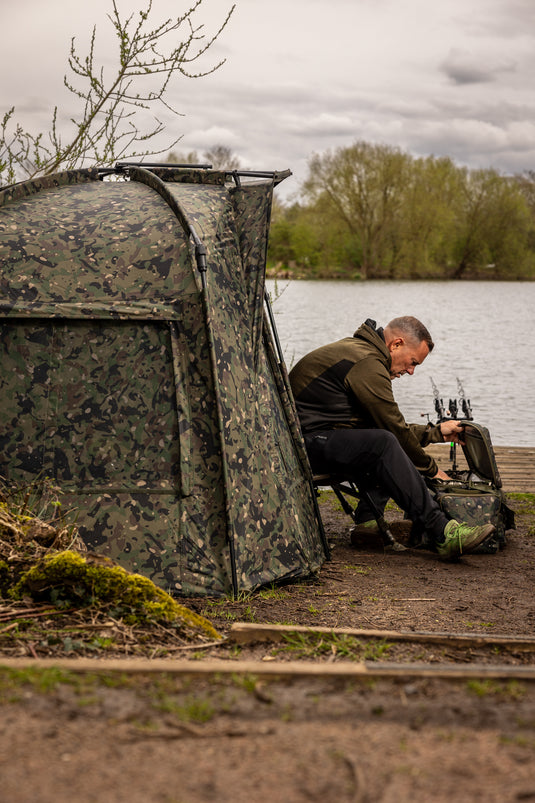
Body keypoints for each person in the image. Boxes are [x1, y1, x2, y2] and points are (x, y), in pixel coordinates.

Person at [289, 316, 495, 559]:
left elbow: (384, 423)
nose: (410, 371)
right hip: (298, 447)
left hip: (316, 439)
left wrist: (436, 432)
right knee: (383, 443)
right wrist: (432, 470)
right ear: (396, 344)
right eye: (412, 362)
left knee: (379, 440)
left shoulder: (363, 354)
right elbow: (393, 430)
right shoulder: (367, 362)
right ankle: (443, 533)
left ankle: (367, 525)